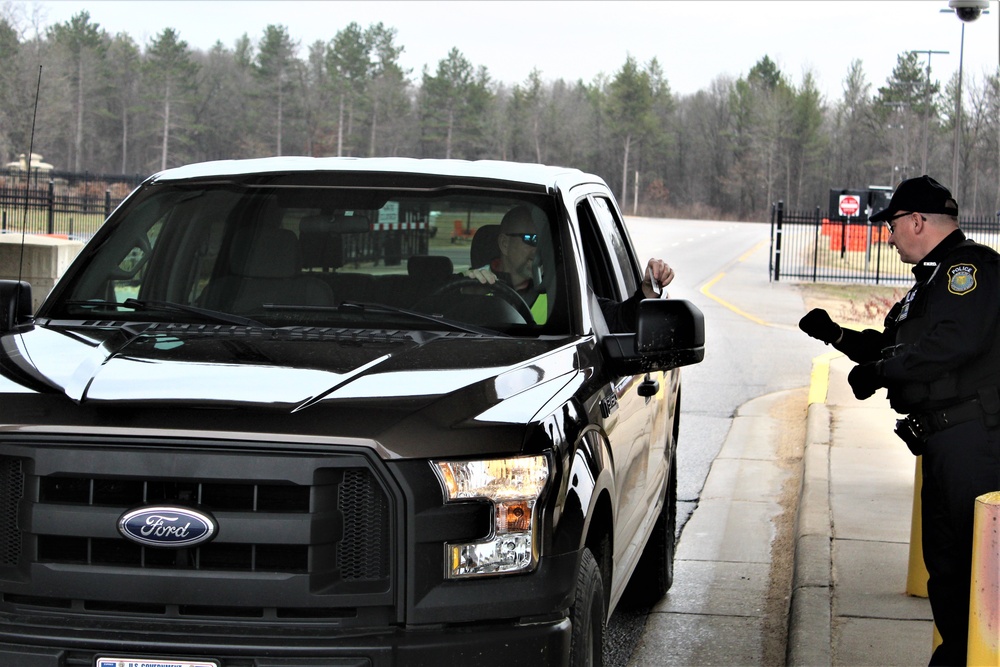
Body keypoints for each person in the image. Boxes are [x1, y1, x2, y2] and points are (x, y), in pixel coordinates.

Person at [798, 175, 1000, 666]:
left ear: (916, 221)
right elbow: (896, 347)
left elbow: (952, 344)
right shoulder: (929, 282)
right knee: (947, 570)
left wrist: (882, 371)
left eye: (891, 225)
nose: (888, 236)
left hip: (974, 441)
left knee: (975, 571)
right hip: (942, 442)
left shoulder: (969, 270)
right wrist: (838, 336)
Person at [464, 205, 674, 331]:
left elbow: (619, 320)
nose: (539, 249)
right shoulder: (467, 285)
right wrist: (468, 299)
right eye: (531, 239)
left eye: (543, 240)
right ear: (504, 244)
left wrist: (645, 292)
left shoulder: (563, 291)